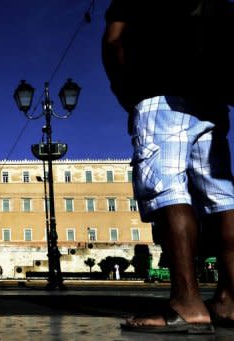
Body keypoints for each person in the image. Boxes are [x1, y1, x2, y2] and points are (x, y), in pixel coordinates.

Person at [102, 0, 234, 334]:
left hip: (160, 91)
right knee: (222, 198)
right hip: (211, 96)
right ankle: (229, 299)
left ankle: (186, 302)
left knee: (167, 189)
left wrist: (125, 92)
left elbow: (115, 40)